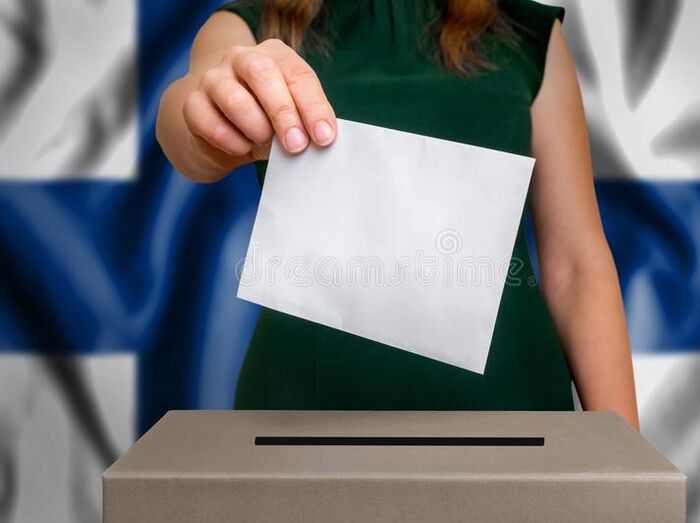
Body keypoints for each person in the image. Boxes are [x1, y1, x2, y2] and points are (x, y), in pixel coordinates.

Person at [156, 0, 640, 430]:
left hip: (512, 412)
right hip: (303, 419)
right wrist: (206, 114)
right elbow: (188, 131)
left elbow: (578, 265)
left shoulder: (528, 33)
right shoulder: (246, 25)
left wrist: (627, 468)